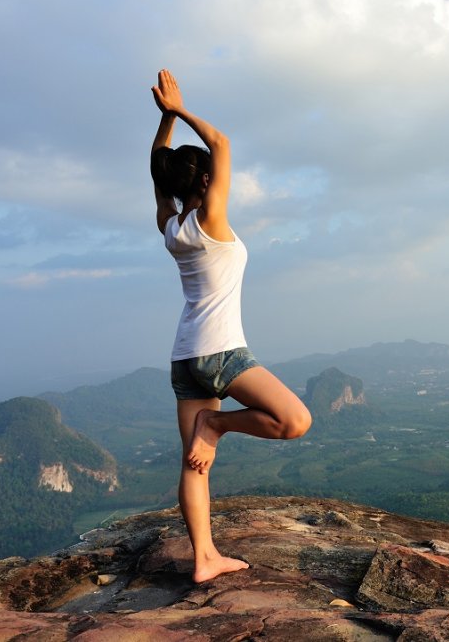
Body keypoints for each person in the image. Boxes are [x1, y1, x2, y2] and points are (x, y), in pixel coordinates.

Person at [149, 69, 312, 583]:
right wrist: (179, 111)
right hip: (220, 351)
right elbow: (220, 142)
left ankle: (203, 559)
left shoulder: (172, 228)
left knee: (193, 462)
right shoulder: (209, 223)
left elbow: (158, 174)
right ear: (203, 181)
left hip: (184, 356)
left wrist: (165, 125)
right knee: (294, 421)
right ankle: (216, 425)